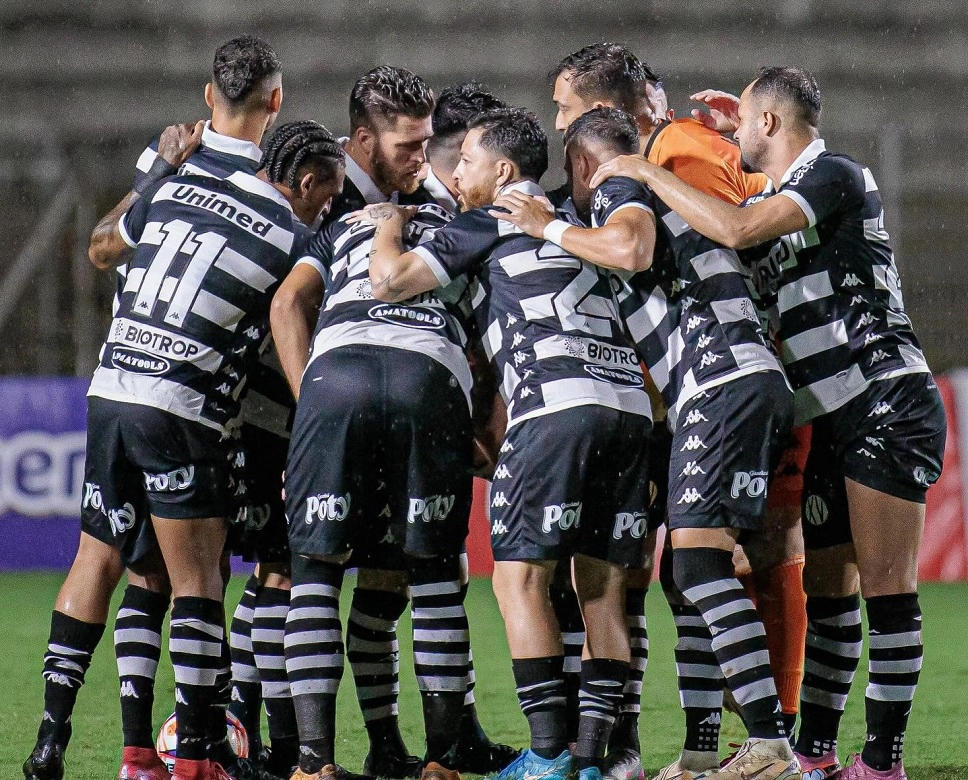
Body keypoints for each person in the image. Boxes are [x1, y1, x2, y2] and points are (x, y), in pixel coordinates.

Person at [592, 66, 946, 780]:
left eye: (750, 118)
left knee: (887, 591)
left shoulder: (837, 173)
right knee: (831, 593)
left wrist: (644, 169)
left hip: (883, 395)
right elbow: (749, 209)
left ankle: (883, 762)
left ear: (772, 124)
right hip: (831, 412)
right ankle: (814, 753)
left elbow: (738, 226)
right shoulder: (781, 192)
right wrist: (740, 134)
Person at [495, 106, 800, 780]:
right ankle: (705, 752)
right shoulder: (667, 190)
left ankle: (772, 745)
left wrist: (547, 226)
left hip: (719, 383)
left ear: (582, 160)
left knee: (698, 570)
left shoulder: (620, 185)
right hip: (741, 380)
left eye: (563, 109)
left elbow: (631, 248)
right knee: (694, 570)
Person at [355, 106, 653, 780]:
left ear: (505, 171)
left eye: (467, 161)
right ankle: (591, 758)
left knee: (519, 580)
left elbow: (390, 280)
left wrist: (390, 222)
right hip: (627, 406)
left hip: (554, 405)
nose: (456, 174)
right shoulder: (576, 220)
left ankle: (547, 756)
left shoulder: (490, 219)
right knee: (602, 589)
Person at [83, 120, 344, 780]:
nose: (330, 208)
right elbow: (285, 310)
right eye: (326, 195)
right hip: (206, 413)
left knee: (136, 571)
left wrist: (156, 175)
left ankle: (125, 748)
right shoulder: (290, 234)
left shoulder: (174, 184)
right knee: (204, 578)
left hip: (118, 387)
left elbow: (102, 247)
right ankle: (204, 746)